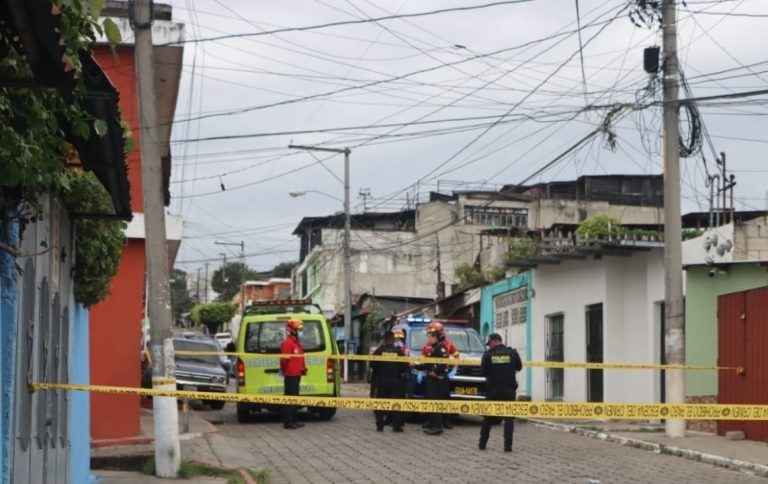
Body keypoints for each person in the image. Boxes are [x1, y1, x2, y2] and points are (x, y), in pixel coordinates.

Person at [479, 333, 523, 452]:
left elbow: (483, 372)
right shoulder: (512, 353)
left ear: (493, 341)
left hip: (493, 391)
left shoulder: (488, 354)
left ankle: (482, 443)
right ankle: (507, 446)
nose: (489, 346)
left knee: (488, 418)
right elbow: (519, 367)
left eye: (489, 344)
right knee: (508, 419)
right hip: (509, 390)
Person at [370, 331, 408, 433]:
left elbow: (372, 365)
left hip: (382, 380)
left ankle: (380, 426)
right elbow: (405, 367)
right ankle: (396, 426)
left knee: (380, 404)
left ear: (385, 339)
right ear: (393, 339)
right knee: (396, 404)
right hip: (396, 381)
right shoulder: (399, 352)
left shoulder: (379, 351)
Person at [420, 322, 450, 435]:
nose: (429, 338)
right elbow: (428, 364)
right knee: (431, 402)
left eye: (430, 337)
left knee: (435, 403)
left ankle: (437, 427)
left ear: (436, 337)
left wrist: (435, 372)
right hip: (432, 380)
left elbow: (442, 364)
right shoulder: (433, 348)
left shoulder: (441, 348)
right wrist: (416, 366)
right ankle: (433, 424)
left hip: (438, 380)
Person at [280, 319, 307, 430]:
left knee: (295, 398)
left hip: (296, 374)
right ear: (292, 330)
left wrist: (302, 368)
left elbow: (300, 358)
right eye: (299, 329)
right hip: (290, 375)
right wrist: (287, 370)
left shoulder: (296, 343)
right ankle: (288, 422)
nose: (301, 331)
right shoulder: (288, 343)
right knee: (290, 399)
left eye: (301, 329)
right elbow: (284, 361)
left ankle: (294, 420)